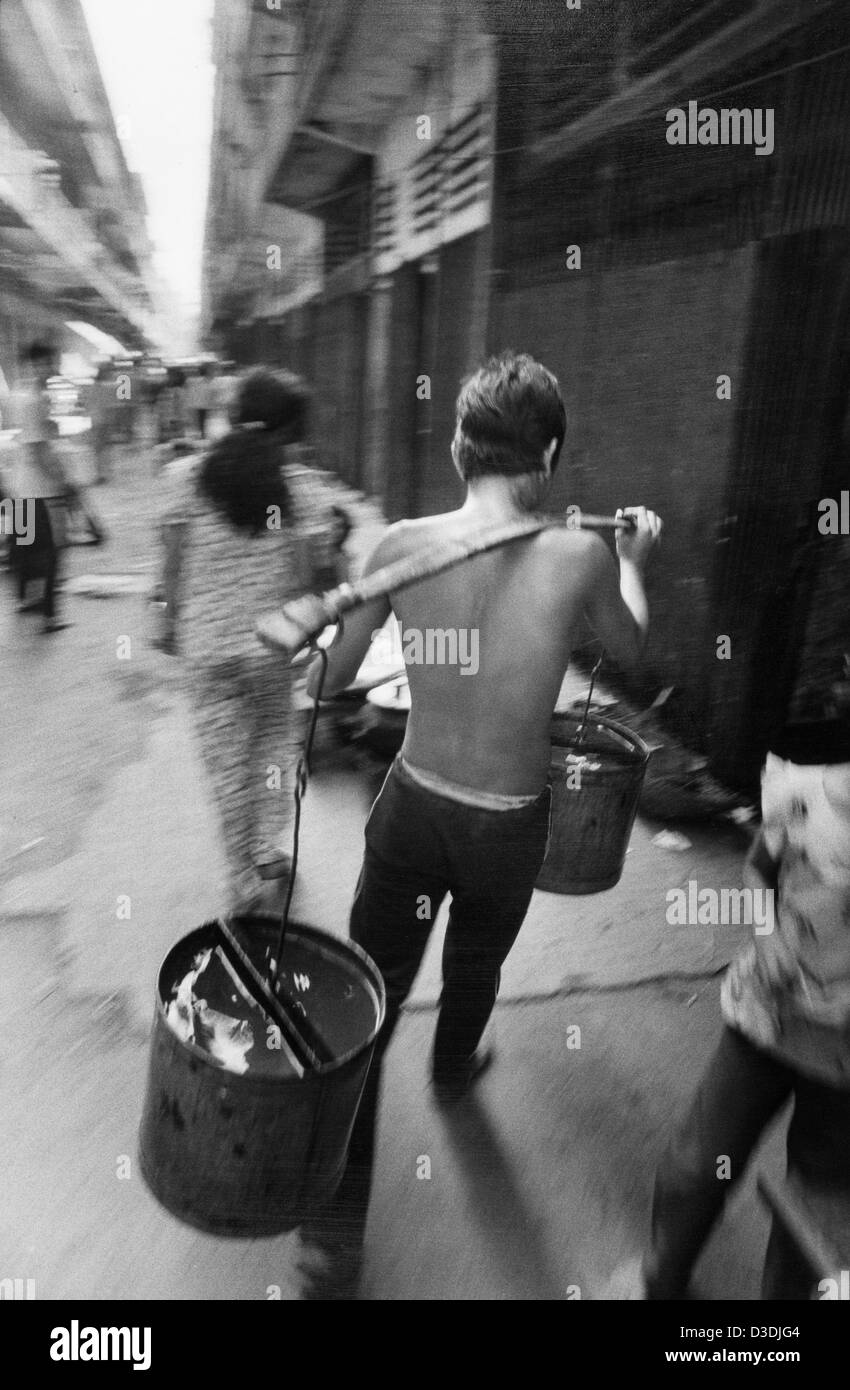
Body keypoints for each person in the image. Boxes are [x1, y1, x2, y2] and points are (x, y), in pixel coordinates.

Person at [296, 350, 662, 1296]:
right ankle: (456, 1062)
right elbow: (632, 645)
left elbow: (332, 681)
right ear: (544, 455)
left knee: (365, 1011)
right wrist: (633, 563)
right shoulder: (580, 556)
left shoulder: (402, 542)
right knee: (477, 960)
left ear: (462, 450)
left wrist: (335, 634)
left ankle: (333, 1241)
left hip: (413, 804)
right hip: (508, 823)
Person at [605, 733, 850, 1301]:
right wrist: (766, 938)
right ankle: (660, 1276)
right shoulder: (805, 791)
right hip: (765, 1013)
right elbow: (759, 872)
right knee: (697, 1164)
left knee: (812, 1211)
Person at [160, 368, 317, 911]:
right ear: (288, 431)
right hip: (270, 648)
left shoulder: (184, 477)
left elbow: (172, 568)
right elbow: (304, 580)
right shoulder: (301, 492)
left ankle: (242, 879)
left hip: (206, 649)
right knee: (273, 746)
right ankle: (265, 845)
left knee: (225, 764)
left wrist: (166, 623)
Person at [5, 342, 72, 633]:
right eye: (43, 363)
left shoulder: (19, 395)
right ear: (32, 365)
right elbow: (38, 449)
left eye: (51, 363)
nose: (48, 368)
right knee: (52, 550)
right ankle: (49, 616)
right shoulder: (35, 398)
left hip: (18, 487)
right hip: (39, 490)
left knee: (23, 547)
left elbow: (30, 436)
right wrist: (61, 481)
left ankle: (24, 601)